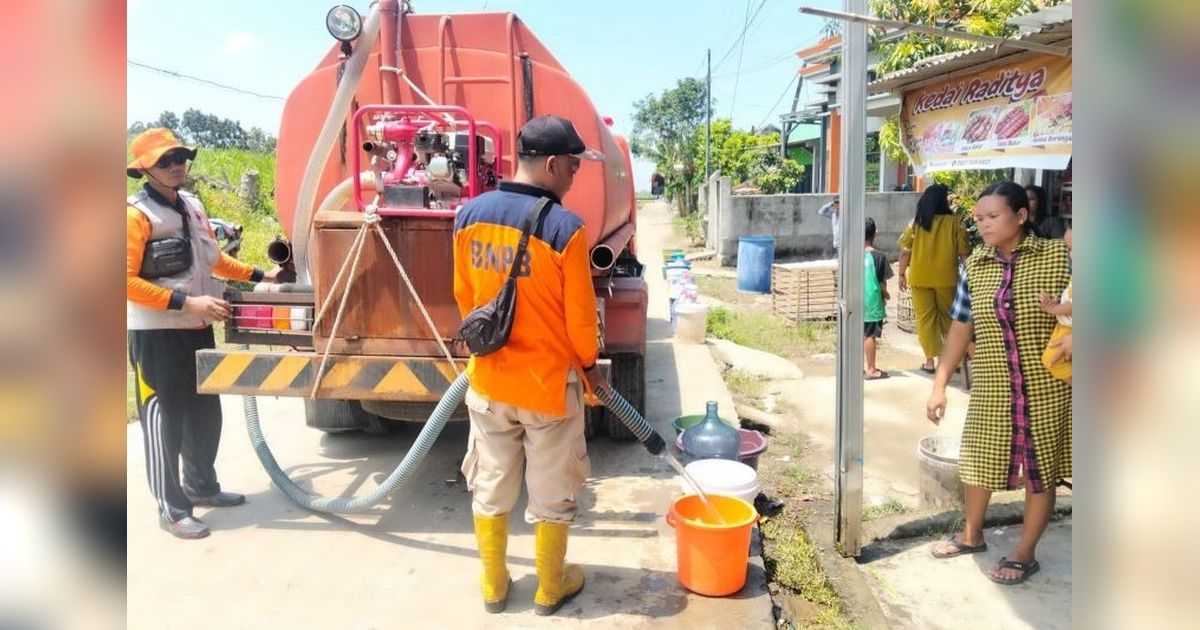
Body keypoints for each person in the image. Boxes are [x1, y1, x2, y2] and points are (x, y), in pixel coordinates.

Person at [452, 115, 611, 616]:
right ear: (551, 164)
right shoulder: (566, 228)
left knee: (491, 483)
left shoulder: (468, 216)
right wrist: (590, 368)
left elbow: (465, 298)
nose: (575, 176)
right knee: (553, 490)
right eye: (572, 167)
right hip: (547, 387)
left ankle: (494, 585)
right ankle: (549, 587)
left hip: (489, 382)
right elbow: (581, 320)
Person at [126, 128, 278, 539]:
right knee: (165, 422)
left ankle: (201, 486)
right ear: (144, 170)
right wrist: (187, 303)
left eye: (179, 157)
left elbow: (214, 260)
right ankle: (172, 509)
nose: (175, 165)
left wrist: (261, 276)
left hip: (196, 330)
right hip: (157, 336)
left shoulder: (192, 206)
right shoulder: (135, 215)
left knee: (204, 415)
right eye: (164, 161)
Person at [925, 182, 1071, 586]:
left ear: (1021, 216)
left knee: (1041, 468)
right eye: (978, 219)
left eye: (992, 216)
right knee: (978, 458)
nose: (984, 225)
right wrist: (939, 384)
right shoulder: (974, 266)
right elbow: (960, 327)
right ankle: (971, 534)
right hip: (992, 384)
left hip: (1047, 387)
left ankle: (1025, 552)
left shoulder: (1059, 255)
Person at [897, 184, 970, 372]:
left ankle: (929, 362)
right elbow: (964, 252)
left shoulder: (916, 222)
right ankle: (953, 361)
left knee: (925, 319)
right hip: (947, 278)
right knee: (949, 317)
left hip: (920, 278)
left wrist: (901, 274)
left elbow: (905, 251)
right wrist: (970, 276)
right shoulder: (955, 222)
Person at [1039, 228, 1073, 385]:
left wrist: (1051, 308)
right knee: (1050, 360)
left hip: (1069, 329)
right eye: (1069, 249)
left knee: (1051, 360)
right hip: (1064, 327)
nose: (1070, 254)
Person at [863, 217, 893, 380]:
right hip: (872, 303)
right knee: (869, 336)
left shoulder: (852, 256)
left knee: (857, 334)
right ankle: (871, 369)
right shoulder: (879, 257)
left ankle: (855, 368)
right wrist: (885, 294)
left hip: (854, 302)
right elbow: (882, 284)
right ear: (875, 233)